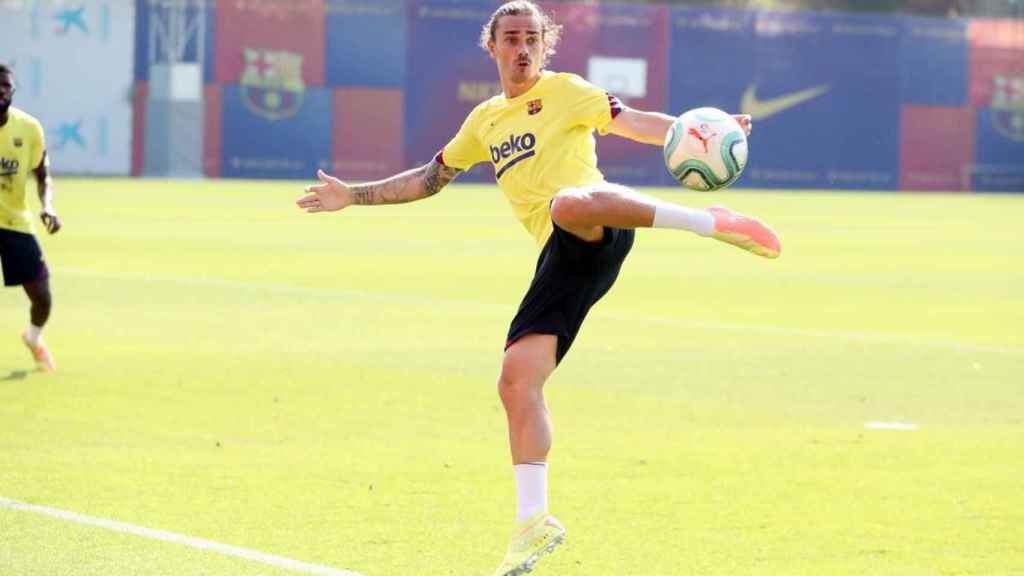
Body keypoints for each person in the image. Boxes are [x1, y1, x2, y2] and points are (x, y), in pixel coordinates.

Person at [297, 2, 780, 573]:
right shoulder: (484, 122)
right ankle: (532, 524)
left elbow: (634, 121)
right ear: (493, 47)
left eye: (531, 38)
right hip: (561, 254)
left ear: (544, 46)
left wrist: (703, 132)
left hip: (597, 223)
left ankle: (712, 222)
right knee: (515, 380)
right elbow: (430, 178)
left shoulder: (566, 90)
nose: (521, 48)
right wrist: (352, 194)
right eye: (511, 39)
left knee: (570, 201)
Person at [0, 63, 60, 372]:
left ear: (12, 90)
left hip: (15, 222)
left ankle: (34, 338)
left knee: (43, 297)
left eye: (6, 86)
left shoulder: (29, 128)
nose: (1, 92)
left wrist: (48, 206)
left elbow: (42, 174)